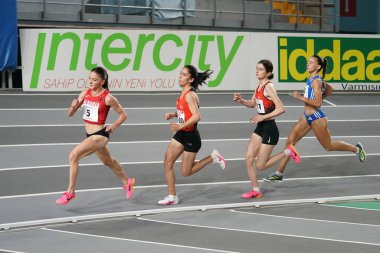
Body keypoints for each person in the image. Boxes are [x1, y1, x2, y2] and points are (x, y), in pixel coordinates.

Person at [263, 55, 366, 182]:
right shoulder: (312, 78)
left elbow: (317, 103)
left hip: (317, 118)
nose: (308, 64)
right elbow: (329, 88)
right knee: (290, 142)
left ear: (317, 67)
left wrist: (299, 97)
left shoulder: (316, 81)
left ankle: (357, 149)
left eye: (311, 63)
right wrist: (318, 97)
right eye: (308, 62)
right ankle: (278, 174)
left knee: (329, 146)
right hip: (306, 116)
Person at [56, 66, 135, 205]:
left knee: (73, 156)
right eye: (89, 79)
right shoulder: (84, 93)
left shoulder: (108, 98)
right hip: (89, 134)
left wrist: (113, 126)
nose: (90, 82)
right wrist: (73, 106)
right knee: (108, 161)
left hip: (100, 135)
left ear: (102, 81)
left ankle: (70, 192)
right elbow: (69, 114)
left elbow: (124, 115)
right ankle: (127, 181)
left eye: (94, 79)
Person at [158, 65, 226, 205]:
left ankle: (213, 157)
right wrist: (174, 114)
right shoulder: (183, 93)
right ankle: (172, 196)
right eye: (180, 73)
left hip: (191, 137)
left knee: (186, 172)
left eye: (183, 75)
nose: (180, 76)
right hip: (181, 134)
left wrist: (179, 125)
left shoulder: (190, 94)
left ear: (191, 79)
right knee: (167, 162)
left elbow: (196, 116)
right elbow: (185, 111)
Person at [233, 59, 300, 199]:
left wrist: (263, 117)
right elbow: (252, 104)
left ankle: (288, 151)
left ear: (268, 73)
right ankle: (256, 190)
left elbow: (281, 108)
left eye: (261, 69)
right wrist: (241, 101)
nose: (257, 71)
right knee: (248, 158)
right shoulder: (259, 86)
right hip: (260, 127)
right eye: (257, 68)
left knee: (261, 166)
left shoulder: (269, 87)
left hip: (270, 129)